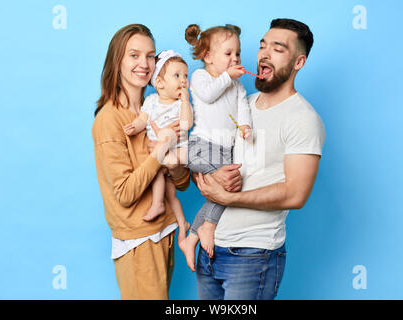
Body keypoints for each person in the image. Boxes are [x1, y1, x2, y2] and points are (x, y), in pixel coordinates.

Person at [194, 18, 326, 300]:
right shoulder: (243, 102)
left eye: (277, 49)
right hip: (211, 248)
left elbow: (296, 194)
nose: (263, 53)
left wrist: (230, 198)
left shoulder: (303, 119)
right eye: (262, 46)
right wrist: (209, 178)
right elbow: (211, 152)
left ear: (298, 62)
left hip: (253, 256)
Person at [91, 24, 190, 300]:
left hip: (165, 231)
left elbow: (181, 183)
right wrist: (161, 150)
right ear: (117, 61)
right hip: (139, 240)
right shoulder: (109, 119)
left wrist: (173, 161)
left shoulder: (157, 107)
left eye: (150, 56)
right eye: (134, 55)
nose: (144, 64)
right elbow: (124, 194)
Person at [179, 23, 253, 272]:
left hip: (223, 152)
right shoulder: (200, 77)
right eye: (228, 53)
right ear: (208, 58)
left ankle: (193, 236)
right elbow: (209, 95)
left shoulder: (239, 87)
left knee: (231, 186)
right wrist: (227, 77)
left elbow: (243, 109)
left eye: (238, 53)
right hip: (200, 148)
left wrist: (245, 127)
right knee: (228, 186)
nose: (235, 58)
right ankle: (205, 228)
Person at [123, 50, 193, 244]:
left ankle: (158, 203)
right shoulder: (152, 101)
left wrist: (186, 100)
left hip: (178, 150)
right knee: (168, 191)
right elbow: (143, 119)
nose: (183, 80)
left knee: (166, 158)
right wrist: (135, 127)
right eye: (177, 75)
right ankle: (181, 223)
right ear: (160, 83)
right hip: (159, 155)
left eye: (186, 76)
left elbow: (186, 125)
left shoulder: (181, 104)